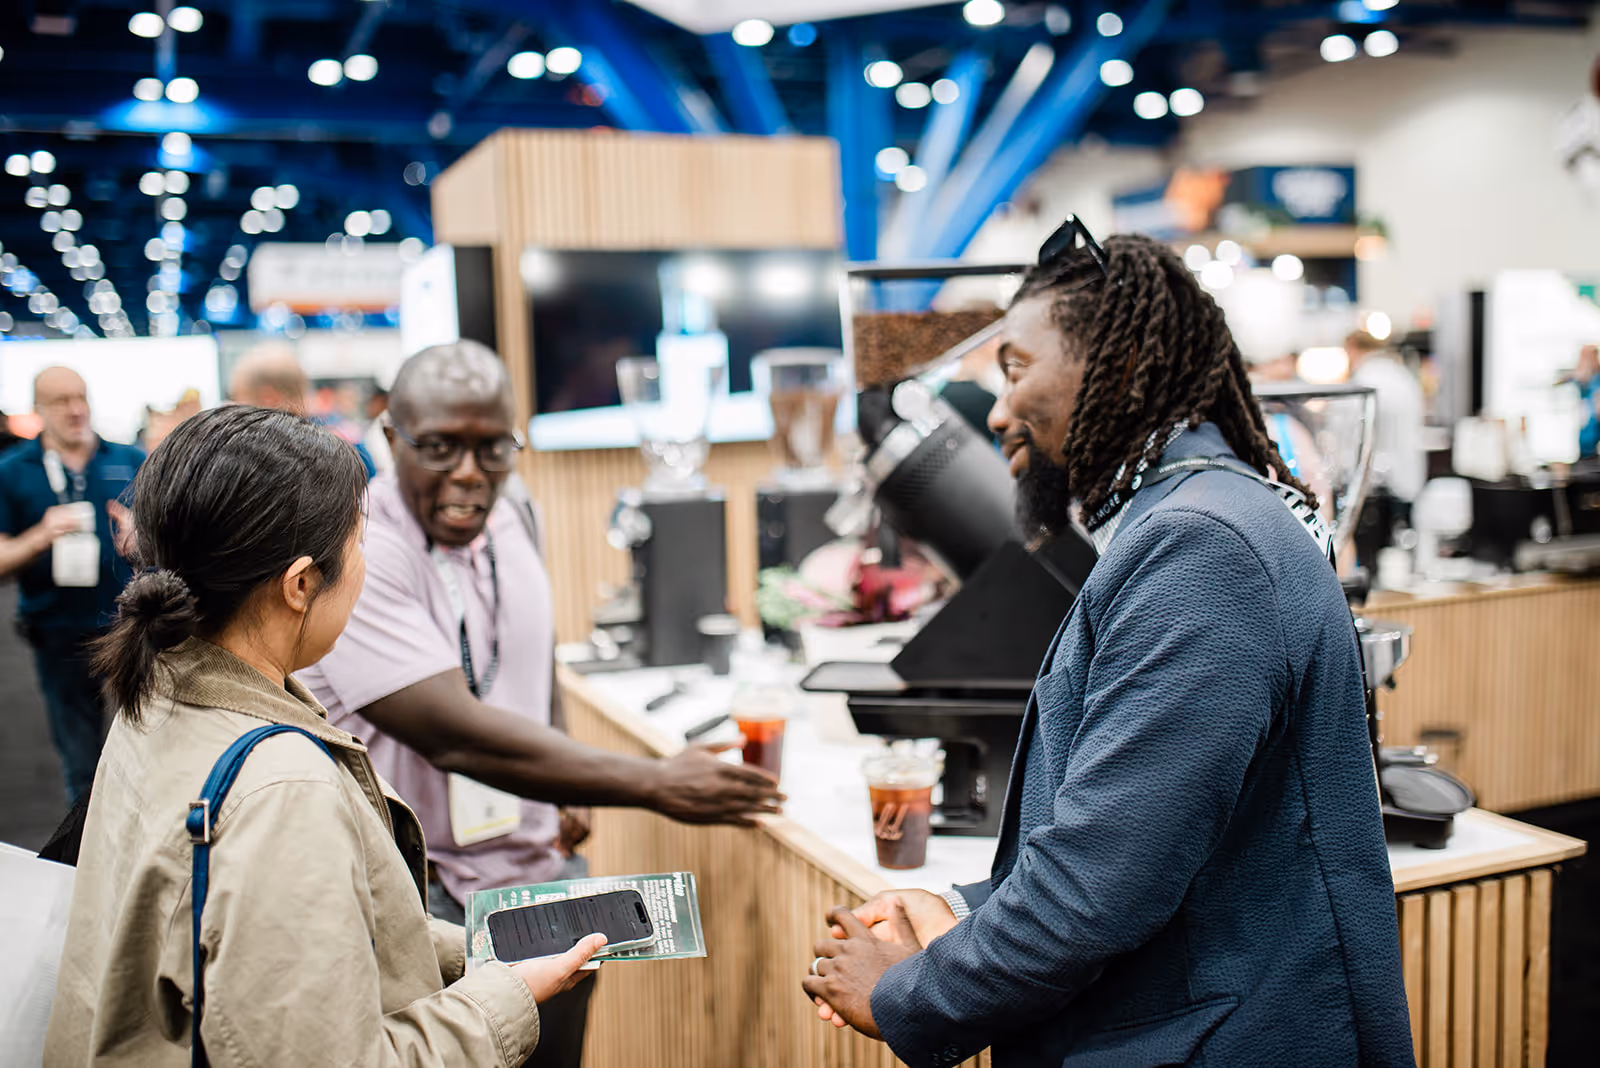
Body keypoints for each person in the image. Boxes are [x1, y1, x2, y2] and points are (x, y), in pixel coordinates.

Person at [803, 227, 1413, 1066]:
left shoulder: (1201, 546)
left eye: (1015, 369)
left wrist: (904, 992)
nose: (996, 409)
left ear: (1121, 367)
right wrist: (962, 909)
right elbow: (1149, 848)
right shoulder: (1187, 520)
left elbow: (1100, 887)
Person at [46, 404, 601, 1065]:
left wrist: (479, 948)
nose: (366, 563)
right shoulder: (282, 791)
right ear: (302, 584)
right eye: (360, 542)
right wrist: (507, 996)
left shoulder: (159, 692)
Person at [296, 341, 783, 1067]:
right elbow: (451, 735)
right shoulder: (362, 546)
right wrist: (653, 781)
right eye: (438, 448)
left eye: (493, 448)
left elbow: (536, 648)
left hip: (537, 868)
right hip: (426, 895)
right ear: (390, 437)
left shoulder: (516, 505)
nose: (470, 474)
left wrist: (558, 767)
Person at [0, 367, 142, 802]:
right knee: (82, 763)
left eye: (81, 397)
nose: (76, 409)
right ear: (38, 409)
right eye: (62, 401)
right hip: (58, 631)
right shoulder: (12, 472)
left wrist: (142, 541)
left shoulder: (131, 461)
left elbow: (172, 547)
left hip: (132, 629)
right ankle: (82, 855)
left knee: (145, 749)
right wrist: (39, 536)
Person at [229, 342, 378, 477]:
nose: (234, 409)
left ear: (269, 398)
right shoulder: (347, 438)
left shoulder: (267, 456)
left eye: (238, 399)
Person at [1346, 329, 1425, 567]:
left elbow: (1351, 436)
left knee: (1376, 560)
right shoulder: (1402, 376)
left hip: (1378, 487)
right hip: (1407, 478)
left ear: (1353, 348)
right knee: (1401, 551)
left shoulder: (1365, 380)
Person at [1557, 343, 1600, 459]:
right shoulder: (1579, 374)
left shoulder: (1596, 376)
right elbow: (1558, 382)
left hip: (1593, 413)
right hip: (1585, 413)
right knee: (1585, 441)